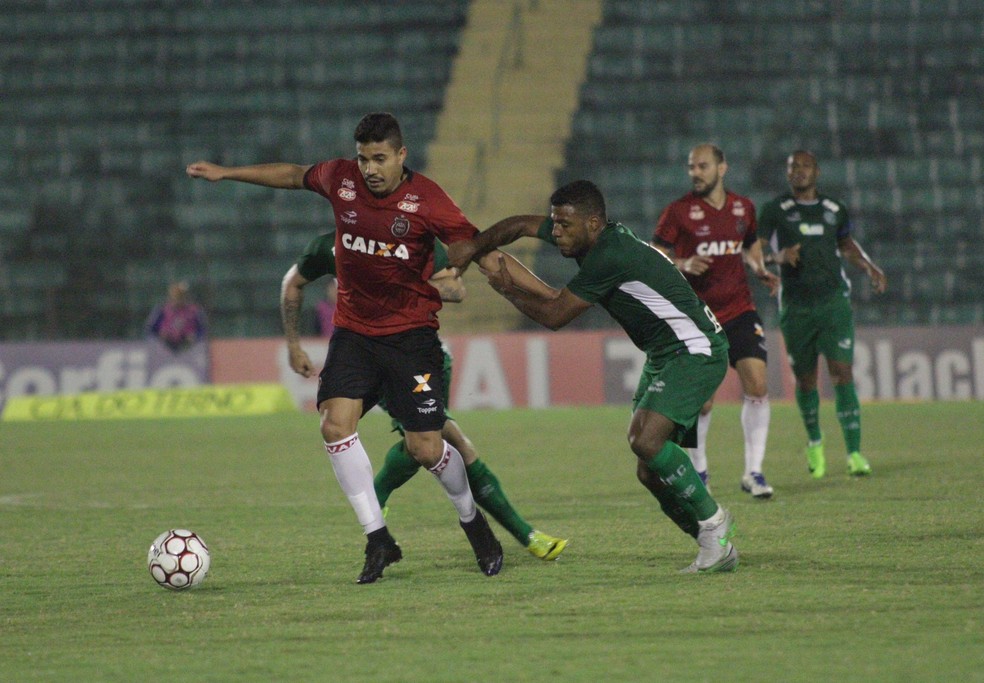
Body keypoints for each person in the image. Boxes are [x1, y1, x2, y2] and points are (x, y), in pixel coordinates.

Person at [187, 112, 552, 584]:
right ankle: (378, 538)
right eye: (363, 159)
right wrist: (228, 173)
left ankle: (473, 522)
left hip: (411, 338)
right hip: (355, 333)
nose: (370, 169)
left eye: (379, 159)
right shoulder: (340, 178)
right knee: (334, 425)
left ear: (401, 155)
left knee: (426, 448)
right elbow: (293, 175)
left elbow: (485, 254)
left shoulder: (429, 200)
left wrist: (546, 299)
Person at [448, 180, 739, 574]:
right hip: (665, 354)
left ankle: (714, 525)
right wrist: (475, 246)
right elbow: (517, 225)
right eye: (555, 224)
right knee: (649, 472)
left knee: (645, 440)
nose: (557, 233)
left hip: (695, 351)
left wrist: (507, 291)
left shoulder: (609, 255)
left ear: (594, 222)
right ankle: (715, 546)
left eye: (566, 226)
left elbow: (554, 315)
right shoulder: (588, 237)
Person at [280, 231, 568, 561]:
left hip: (418, 356)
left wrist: (403, 285)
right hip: (369, 362)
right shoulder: (330, 244)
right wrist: (293, 345)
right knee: (445, 441)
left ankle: (381, 495)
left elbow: (455, 289)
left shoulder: (414, 236)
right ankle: (525, 536)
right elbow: (293, 282)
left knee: (427, 445)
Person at [651, 144, 780, 499]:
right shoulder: (678, 212)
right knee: (702, 402)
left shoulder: (744, 208)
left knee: (757, 385)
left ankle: (753, 472)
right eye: (692, 166)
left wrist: (759, 268)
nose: (695, 172)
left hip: (739, 310)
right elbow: (654, 255)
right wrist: (683, 264)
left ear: (722, 168)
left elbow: (749, 245)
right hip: (698, 318)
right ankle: (700, 469)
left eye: (703, 166)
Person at [757, 150, 888, 478]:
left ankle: (855, 453)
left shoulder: (834, 209)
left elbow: (846, 245)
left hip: (833, 303)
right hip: (797, 307)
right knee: (805, 379)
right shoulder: (775, 211)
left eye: (805, 166)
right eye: (793, 167)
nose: (799, 171)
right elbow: (755, 252)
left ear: (816, 171)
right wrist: (777, 258)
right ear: (787, 174)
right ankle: (815, 441)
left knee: (842, 373)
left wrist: (870, 267)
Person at [144, 280, 207, 352]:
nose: (179, 299)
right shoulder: (162, 310)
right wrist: (159, 335)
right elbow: (150, 330)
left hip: (188, 346)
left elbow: (203, 330)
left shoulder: (194, 311)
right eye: (177, 296)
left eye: (182, 296)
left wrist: (195, 336)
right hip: (165, 345)